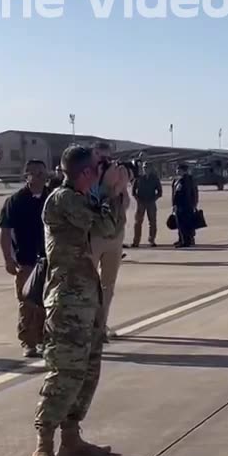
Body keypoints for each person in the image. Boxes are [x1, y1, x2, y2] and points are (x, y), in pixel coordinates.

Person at [28, 145, 129, 456]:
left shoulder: (82, 198)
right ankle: (42, 447)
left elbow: (110, 226)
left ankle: (70, 439)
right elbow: (105, 227)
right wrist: (112, 191)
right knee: (64, 374)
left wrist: (113, 192)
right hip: (67, 301)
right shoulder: (64, 199)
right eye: (98, 168)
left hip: (88, 298)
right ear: (87, 173)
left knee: (87, 372)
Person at [0, 160, 51, 358]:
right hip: (26, 260)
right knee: (27, 303)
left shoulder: (53, 197)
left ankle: (46, 340)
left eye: (41, 173)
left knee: (49, 303)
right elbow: (4, 231)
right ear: (26, 176)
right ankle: (28, 342)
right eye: (33, 174)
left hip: (50, 259)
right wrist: (8, 259)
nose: (38, 178)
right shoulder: (15, 201)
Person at [90, 142, 130, 340]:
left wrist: (120, 187)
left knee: (108, 285)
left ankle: (101, 326)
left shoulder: (118, 173)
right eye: (100, 156)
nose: (104, 160)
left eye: (106, 156)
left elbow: (127, 203)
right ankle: (88, 326)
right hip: (93, 234)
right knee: (88, 283)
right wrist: (106, 183)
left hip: (115, 234)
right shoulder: (87, 175)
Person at [131, 161, 163, 248]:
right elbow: (133, 192)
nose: (146, 169)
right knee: (138, 223)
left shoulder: (155, 178)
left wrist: (153, 199)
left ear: (151, 169)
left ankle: (152, 240)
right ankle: (136, 241)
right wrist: (138, 200)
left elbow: (160, 192)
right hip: (140, 203)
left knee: (152, 222)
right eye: (144, 168)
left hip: (151, 203)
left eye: (147, 168)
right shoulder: (138, 178)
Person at [171, 163, 199, 247]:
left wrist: (194, 203)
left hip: (185, 206)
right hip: (183, 206)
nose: (177, 171)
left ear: (183, 171)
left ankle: (186, 241)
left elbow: (191, 193)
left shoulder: (186, 180)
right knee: (182, 224)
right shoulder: (179, 180)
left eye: (179, 170)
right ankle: (182, 239)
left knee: (184, 224)